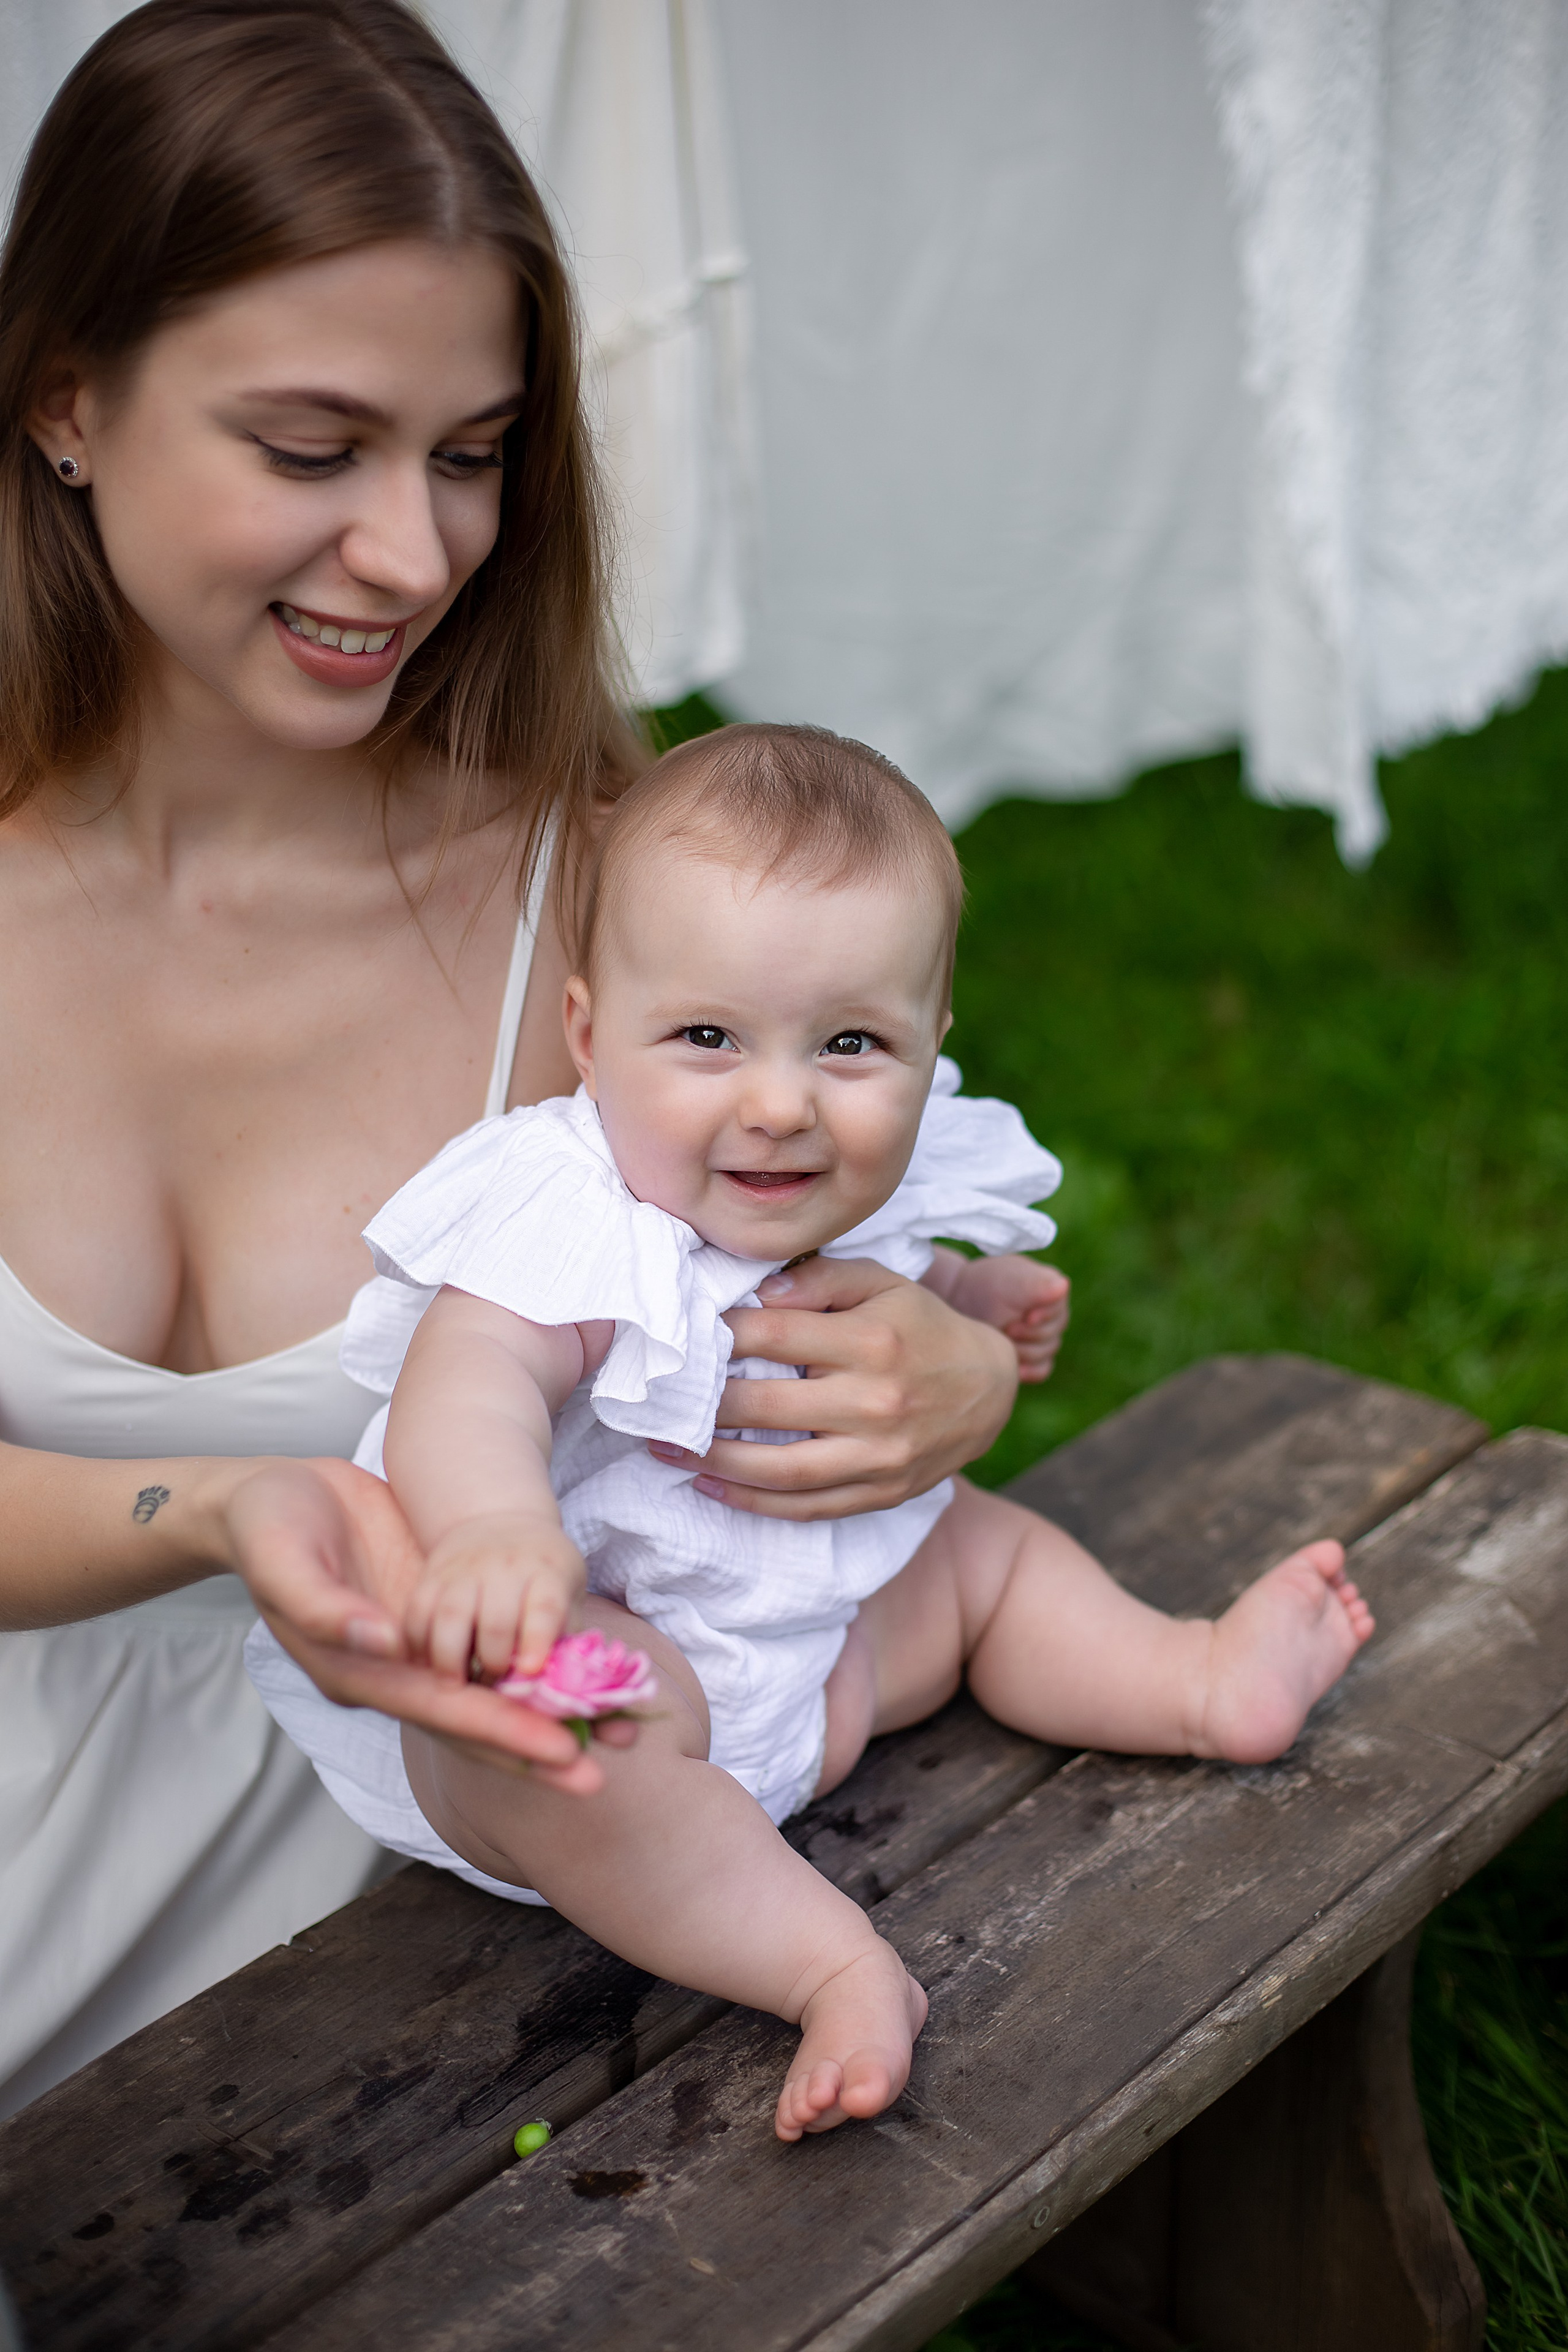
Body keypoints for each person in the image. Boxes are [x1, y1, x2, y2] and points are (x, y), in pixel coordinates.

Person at [0, 1, 1020, 2119]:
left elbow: (843, 1219)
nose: (417, 554)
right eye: (312, 450)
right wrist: (223, 1508)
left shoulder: (606, 891)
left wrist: (957, 1369)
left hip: (488, 1877)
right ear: (66, 401)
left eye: (473, 455)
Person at [249, 725, 1374, 2143]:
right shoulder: (576, 1211)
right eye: (707, 1037)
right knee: (555, 1743)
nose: (778, 1103)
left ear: (928, 1047)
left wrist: (970, 1297)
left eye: (848, 1044)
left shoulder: (871, 1172)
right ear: (591, 1037)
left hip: (834, 1656)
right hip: (628, 1664)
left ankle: (1193, 1680)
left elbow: (899, 1270)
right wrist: (491, 1532)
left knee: (985, 1562)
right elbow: (472, 1376)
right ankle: (831, 1964)